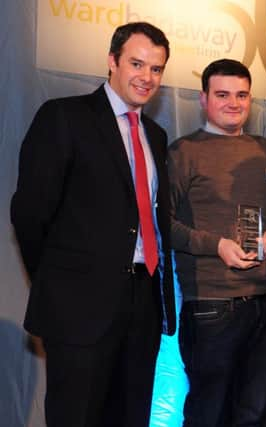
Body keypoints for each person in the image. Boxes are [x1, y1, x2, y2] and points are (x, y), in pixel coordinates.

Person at [11, 22, 175, 427]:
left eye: (156, 69)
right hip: (80, 308)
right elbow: (30, 212)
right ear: (112, 61)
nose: (147, 77)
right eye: (137, 64)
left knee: (131, 416)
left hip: (142, 305)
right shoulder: (65, 117)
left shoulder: (155, 134)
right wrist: (60, 283)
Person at [168, 58, 266, 426]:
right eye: (222, 94)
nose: (233, 103)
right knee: (209, 413)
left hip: (262, 303)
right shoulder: (184, 152)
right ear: (203, 99)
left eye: (242, 95)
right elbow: (165, 224)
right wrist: (216, 245)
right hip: (211, 305)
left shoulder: (265, 149)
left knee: (252, 413)